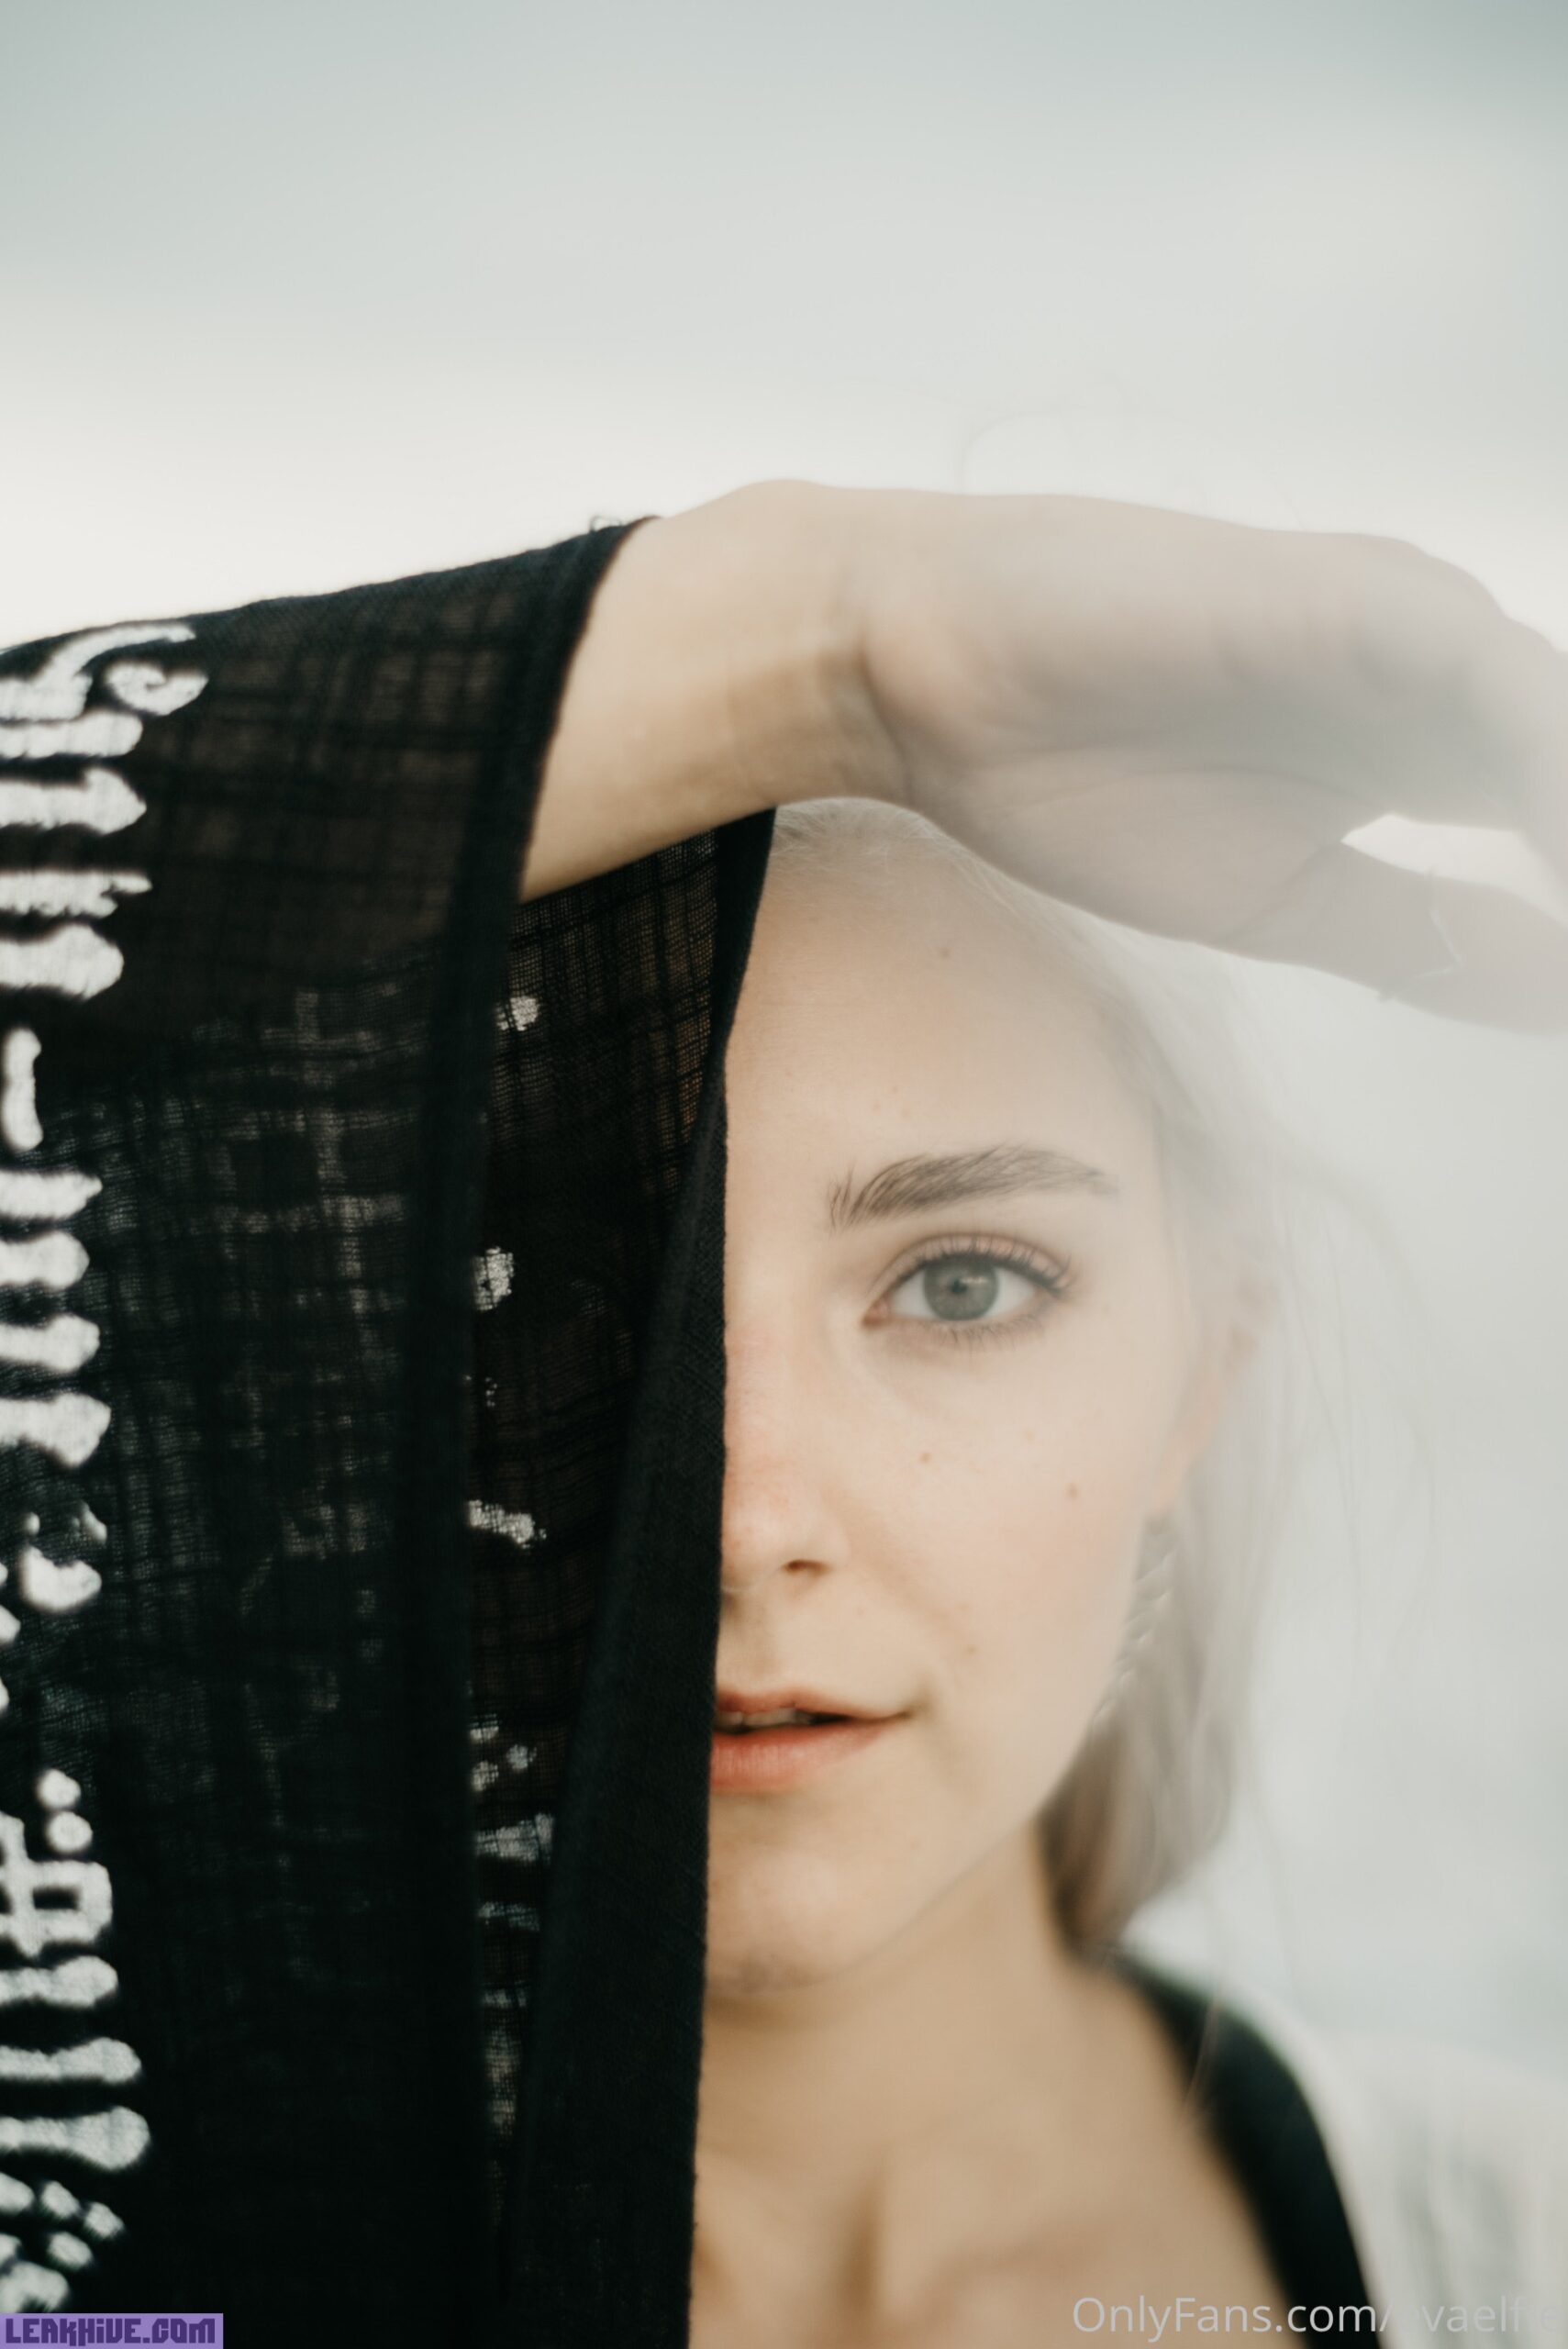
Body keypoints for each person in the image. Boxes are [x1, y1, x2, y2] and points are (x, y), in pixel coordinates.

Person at [1, 480, 1564, 2340]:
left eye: (964, 1283)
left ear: (1197, 1376)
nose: (742, 1524)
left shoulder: (1516, 2258)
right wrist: (838, 643)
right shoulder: (81, 2291)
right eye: (528, 1295)